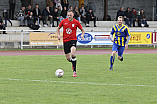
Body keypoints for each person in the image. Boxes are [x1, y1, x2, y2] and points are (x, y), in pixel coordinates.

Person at [57, 10, 85, 77]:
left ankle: (74, 71)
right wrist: (58, 35)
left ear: (73, 15)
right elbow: (58, 28)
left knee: (72, 54)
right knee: (68, 58)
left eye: (70, 15)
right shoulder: (63, 21)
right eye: (68, 15)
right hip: (65, 41)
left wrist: (82, 35)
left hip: (73, 40)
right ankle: (73, 62)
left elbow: (82, 30)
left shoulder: (76, 22)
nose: (69, 16)